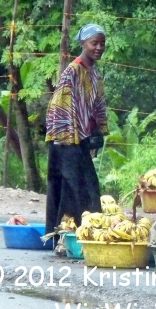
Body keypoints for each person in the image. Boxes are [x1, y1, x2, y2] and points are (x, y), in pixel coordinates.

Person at [44, 23, 109, 241]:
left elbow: (98, 105)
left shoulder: (94, 73)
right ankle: (67, 238)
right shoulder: (72, 71)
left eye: (102, 43)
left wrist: (98, 132)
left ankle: (78, 237)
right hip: (65, 141)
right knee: (74, 189)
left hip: (80, 140)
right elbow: (58, 108)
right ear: (83, 43)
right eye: (94, 43)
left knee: (83, 188)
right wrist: (68, 139)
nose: (98, 47)